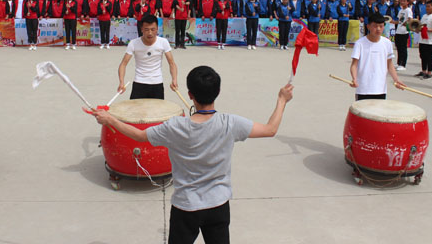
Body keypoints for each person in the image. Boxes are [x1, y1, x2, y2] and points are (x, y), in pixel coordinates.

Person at [93, 66, 294, 244]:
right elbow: (270, 129)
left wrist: (110, 119)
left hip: (186, 206)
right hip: (218, 204)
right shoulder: (230, 123)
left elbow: (139, 135)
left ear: (190, 94)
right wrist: (282, 100)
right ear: (218, 92)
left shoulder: (175, 126)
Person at [117, 14, 178, 99]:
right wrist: (121, 82)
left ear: (157, 29)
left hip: (157, 83)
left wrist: (174, 79)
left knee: (157, 108)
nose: (150, 33)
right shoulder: (133, 43)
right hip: (139, 82)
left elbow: (171, 63)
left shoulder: (163, 42)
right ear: (141, 29)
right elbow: (123, 64)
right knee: (135, 107)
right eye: (146, 29)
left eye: (153, 29)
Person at [350, 12, 406, 100]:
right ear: (368, 26)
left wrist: (396, 79)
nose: (378, 29)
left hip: (380, 89)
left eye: (381, 26)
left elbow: (389, 64)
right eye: (375, 26)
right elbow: (354, 65)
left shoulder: (387, 43)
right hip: (363, 89)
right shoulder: (360, 43)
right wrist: (354, 79)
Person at [415, 1, 432, 80]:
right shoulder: (424, 16)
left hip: (430, 40)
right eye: (426, 6)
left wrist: (426, 29)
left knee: (428, 56)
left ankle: (429, 72)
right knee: (422, 55)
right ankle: (423, 70)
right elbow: (421, 25)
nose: (427, 8)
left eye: (429, 6)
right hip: (422, 39)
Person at [393, 0, 413, 71]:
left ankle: (403, 64)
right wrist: (392, 22)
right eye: (401, 1)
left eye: (404, 1)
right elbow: (399, 21)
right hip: (398, 30)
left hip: (404, 31)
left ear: (407, 2)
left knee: (403, 48)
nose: (402, 2)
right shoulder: (401, 10)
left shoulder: (408, 10)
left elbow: (410, 19)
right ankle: (399, 62)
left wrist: (406, 23)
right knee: (398, 47)